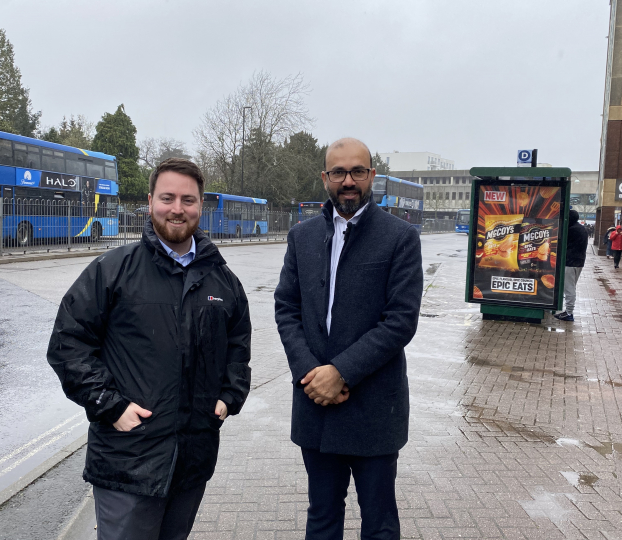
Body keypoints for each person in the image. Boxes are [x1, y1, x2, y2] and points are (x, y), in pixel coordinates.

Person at [47, 158, 252, 540]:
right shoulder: (112, 270)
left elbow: (239, 347)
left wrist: (230, 395)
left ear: (200, 205)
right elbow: (67, 344)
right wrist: (110, 405)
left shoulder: (223, 281)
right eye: (168, 198)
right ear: (150, 201)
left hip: (192, 460)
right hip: (128, 461)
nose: (177, 209)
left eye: (188, 200)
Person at [274, 137, 423, 539]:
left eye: (358, 171)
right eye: (338, 172)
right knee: (321, 519)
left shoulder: (400, 238)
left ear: (371, 175)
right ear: (325, 178)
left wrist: (340, 372)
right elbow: (286, 308)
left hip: (374, 408)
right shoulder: (301, 237)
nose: (348, 181)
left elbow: (400, 321)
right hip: (315, 405)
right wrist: (310, 373)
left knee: (379, 523)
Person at [555, 210, 588, 322]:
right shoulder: (580, 228)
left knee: (569, 288)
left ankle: (569, 312)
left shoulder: (572, 229)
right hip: (578, 261)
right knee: (571, 287)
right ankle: (568, 311)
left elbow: (563, 243)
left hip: (570, 262)